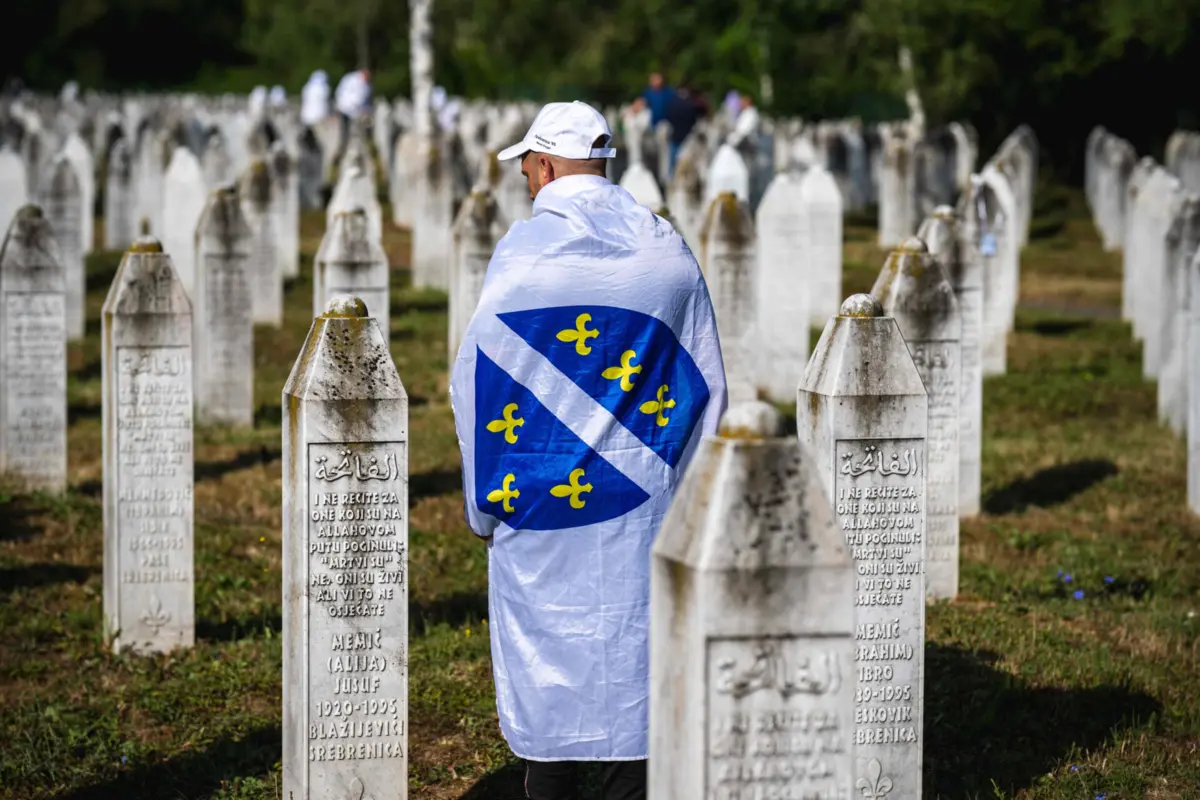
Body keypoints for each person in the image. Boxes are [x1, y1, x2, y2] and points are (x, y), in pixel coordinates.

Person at [449, 100, 727, 800]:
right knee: (640, 682)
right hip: (647, 509)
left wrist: (486, 509)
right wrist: (689, 503)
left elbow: (476, 383)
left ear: (541, 165)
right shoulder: (666, 250)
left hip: (546, 513)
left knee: (554, 701)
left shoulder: (524, 255)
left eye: (527, 168)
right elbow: (708, 387)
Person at [664, 84, 702, 177]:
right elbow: (694, 119)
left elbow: (669, 117)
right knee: (687, 159)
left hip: (675, 135)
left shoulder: (672, 102)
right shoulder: (690, 103)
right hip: (687, 135)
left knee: (673, 159)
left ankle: (671, 176)